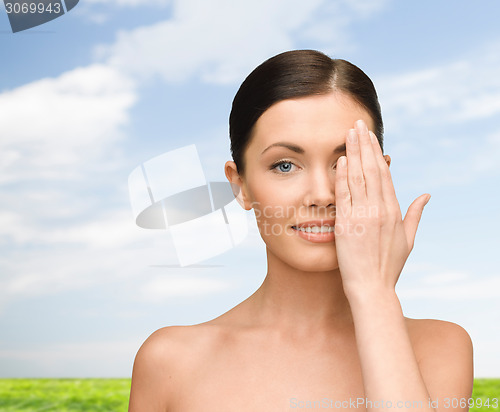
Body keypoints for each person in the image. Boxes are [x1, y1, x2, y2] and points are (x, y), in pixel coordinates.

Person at [128, 50, 473, 411]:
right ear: (240, 185)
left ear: (381, 176)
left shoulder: (439, 347)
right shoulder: (171, 361)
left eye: (345, 163)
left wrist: (375, 293)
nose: (322, 194)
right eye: (284, 165)